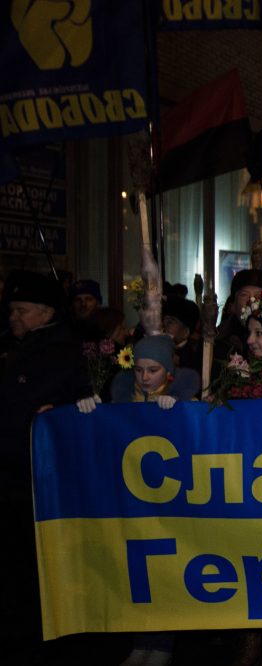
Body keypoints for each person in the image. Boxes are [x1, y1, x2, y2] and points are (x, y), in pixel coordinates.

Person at [77, 334, 200, 666]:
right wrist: (90, 411)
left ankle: (162, 645)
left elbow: (197, 436)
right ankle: (141, 641)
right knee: (139, 573)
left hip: (168, 500)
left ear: (169, 372)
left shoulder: (178, 397)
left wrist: (180, 407)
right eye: (140, 370)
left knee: (166, 572)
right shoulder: (120, 398)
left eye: (154, 370)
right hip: (132, 501)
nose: (145, 377)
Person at [0, 272, 91, 662]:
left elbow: (86, 408)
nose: (13, 318)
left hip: (43, 481)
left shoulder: (67, 354)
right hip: (9, 474)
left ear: (45, 313)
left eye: (22, 310)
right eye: (11, 311)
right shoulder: (11, 349)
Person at [163, 295, 202, 372]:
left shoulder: (190, 359)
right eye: (163, 320)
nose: (163, 325)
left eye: (170, 322)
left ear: (185, 332)